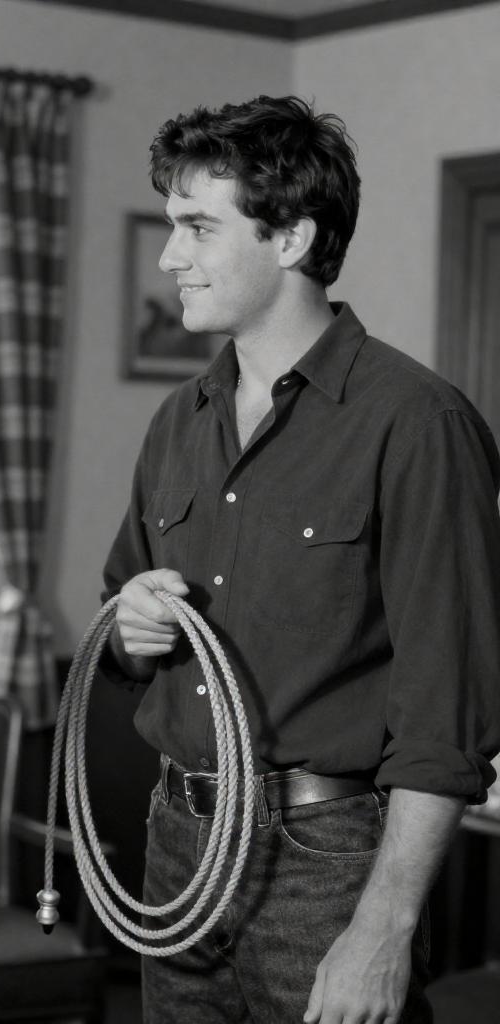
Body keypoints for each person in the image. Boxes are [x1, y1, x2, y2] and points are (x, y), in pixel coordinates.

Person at [101, 94, 500, 1024]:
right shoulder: (178, 420)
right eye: (171, 225)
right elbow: (120, 622)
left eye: (199, 227)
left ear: (290, 238)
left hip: (329, 861)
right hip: (178, 847)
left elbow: (448, 714)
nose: (169, 257)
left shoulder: (419, 423)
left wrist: (383, 928)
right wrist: (131, 624)